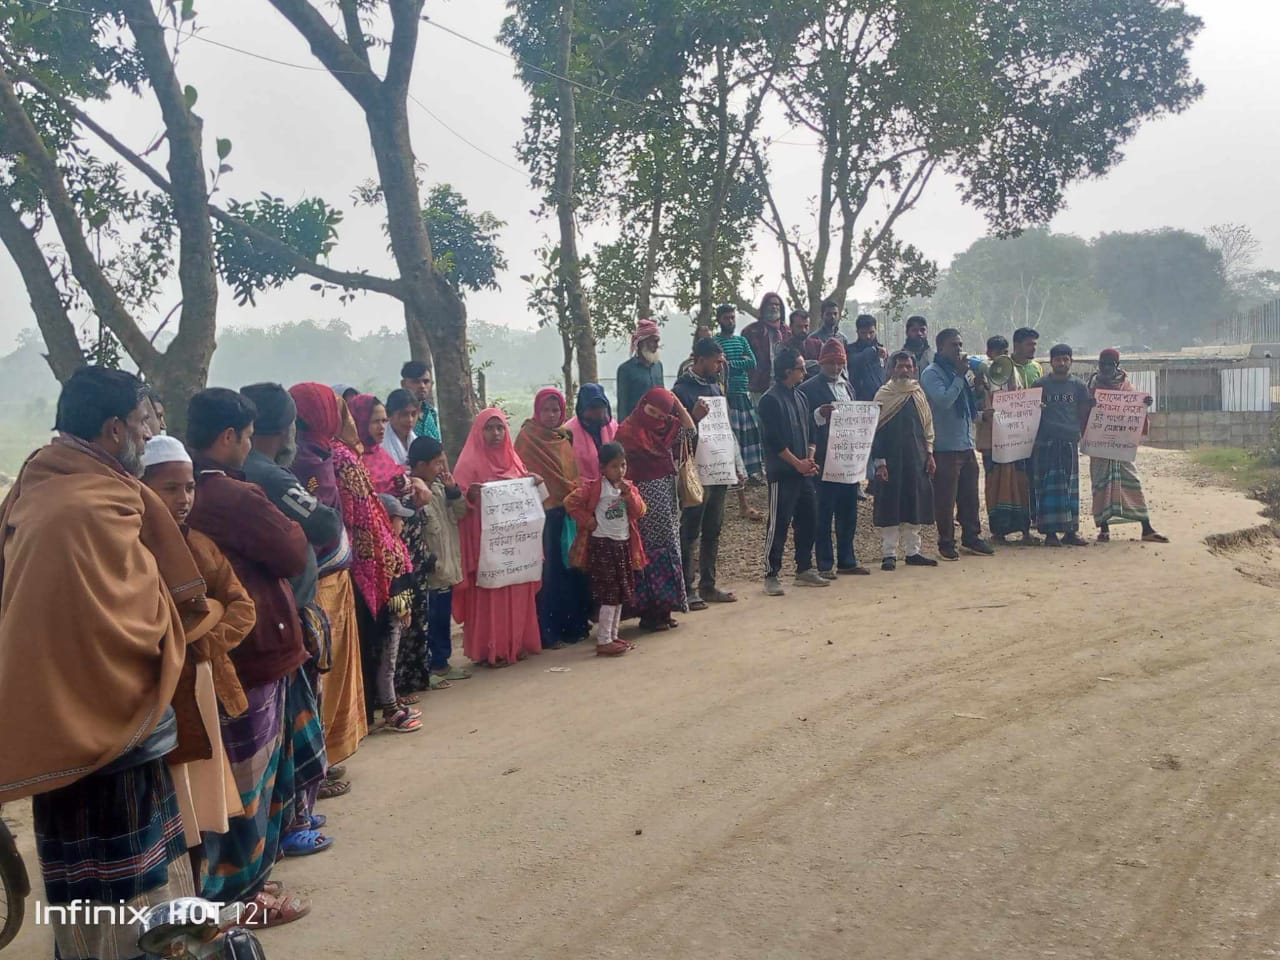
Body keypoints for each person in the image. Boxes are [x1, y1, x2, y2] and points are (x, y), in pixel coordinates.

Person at [0, 367, 205, 959]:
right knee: (125, 892)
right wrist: (174, 617)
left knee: (88, 890)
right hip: (107, 731)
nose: (149, 434)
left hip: (65, 730)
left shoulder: (42, 488)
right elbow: (130, 621)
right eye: (145, 423)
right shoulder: (84, 508)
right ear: (115, 429)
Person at [185, 387, 322, 918]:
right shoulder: (230, 495)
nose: (249, 447)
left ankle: (241, 888)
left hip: (225, 653)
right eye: (245, 437)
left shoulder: (183, 489)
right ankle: (242, 897)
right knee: (250, 786)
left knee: (240, 782)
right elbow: (293, 548)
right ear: (227, 438)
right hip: (253, 650)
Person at [142, 436, 255, 870]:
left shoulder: (201, 544)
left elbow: (241, 606)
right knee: (176, 803)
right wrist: (205, 617)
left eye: (189, 487)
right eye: (170, 488)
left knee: (209, 800)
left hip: (207, 683)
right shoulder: (134, 553)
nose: (183, 498)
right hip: (165, 693)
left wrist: (199, 644)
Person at [288, 383, 366, 797]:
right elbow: (315, 523)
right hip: (317, 582)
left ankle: (330, 754)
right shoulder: (303, 460)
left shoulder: (320, 452)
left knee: (333, 673)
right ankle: (319, 763)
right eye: (335, 410)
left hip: (334, 576)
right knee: (321, 672)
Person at [329, 395, 419, 726]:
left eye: (384, 421)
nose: (379, 427)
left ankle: (385, 700)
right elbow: (360, 517)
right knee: (378, 641)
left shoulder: (359, 457)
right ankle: (383, 706)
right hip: (367, 561)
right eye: (374, 420)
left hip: (384, 553)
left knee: (388, 638)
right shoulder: (344, 460)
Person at [453, 408, 545, 666]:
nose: (495, 434)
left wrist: (534, 483)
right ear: (478, 431)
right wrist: (470, 497)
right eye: (489, 428)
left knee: (516, 591)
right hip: (487, 549)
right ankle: (489, 649)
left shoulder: (514, 461)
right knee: (490, 595)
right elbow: (459, 503)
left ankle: (515, 643)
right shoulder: (468, 464)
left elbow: (527, 497)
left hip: (515, 547)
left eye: (500, 428)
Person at [614, 387, 697, 629]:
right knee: (648, 554)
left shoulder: (667, 428)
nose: (656, 419)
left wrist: (677, 405)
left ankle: (665, 610)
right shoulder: (626, 431)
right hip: (642, 503)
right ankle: (649, 614)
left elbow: (690, 430)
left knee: (670, 549)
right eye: (652, 411)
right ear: (642, 404)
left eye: (662, 416)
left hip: (668, 498)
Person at [515, 387, 592, 649]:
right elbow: (520, 473)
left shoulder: (564, 437)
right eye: (546, 410)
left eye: (555, 410)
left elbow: (571, 473)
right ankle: (548, 632)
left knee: (570, 568)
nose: (550, 415)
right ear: (537, 411)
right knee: (549, 575)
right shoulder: (527, 438)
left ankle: (574, 626)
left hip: (567, 511)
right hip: (541, 514)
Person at [564, 442, 648, 657]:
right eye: (614, 466)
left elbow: (639, 511)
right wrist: (587, 521)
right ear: (602, 468)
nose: (619, 471)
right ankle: (603, 640)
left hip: (622, 544)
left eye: (623, 465)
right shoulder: (594, 488)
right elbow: (570, 502)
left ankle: (613, 635)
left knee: (620, 591)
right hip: (603, 545)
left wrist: (629, 495)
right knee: (609, 593)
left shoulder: (627, 487)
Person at [401, 436, 472, 691]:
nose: (441, 468)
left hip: (448, 566)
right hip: (430, 572)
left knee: (442, 618)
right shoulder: (413, 493)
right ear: (420, 465)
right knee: (428, 620)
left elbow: (461, 513)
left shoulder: (442, 489)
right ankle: (429, 666)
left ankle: (442, 663)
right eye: (436, 463)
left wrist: (454, 491)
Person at [673, 337, 737, 608]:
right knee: (690, 530)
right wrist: (694, 416)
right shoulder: (680, 391)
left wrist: (736, 463)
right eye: (716, 360)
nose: (720, 365)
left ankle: (708, 584)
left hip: (719, 468)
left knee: (714, 528)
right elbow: (674, 435)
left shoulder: (716, 387)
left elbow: (725, 429)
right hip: (695, 470)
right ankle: (686, 588)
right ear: (700, 360)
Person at [758, 347, 827, 595]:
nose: (804, 372)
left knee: (809, 519)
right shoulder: (769, 400)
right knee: (779, 522)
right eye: (800, 368)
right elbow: (773, 441)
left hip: (804, 472)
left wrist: (809, 459)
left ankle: (804, 568)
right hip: (782, 473)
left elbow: (811, 431)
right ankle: (771, 572)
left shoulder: (801, 397)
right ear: (788, 371)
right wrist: (796, 463)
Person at [922, 330, 995, 561]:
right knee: (945, 499)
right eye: (954, 345)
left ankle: (971, 537)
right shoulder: (932, 373)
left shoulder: (959, 374)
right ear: (941, 347)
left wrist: (980, 401)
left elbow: (964, 406)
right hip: (945, 447)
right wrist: (959, 377)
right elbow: (944, 401)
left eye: (961, 344)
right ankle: (946, 542)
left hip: (965, 444)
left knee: (970, 496)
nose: (959, 349)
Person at [800, 338, 870, 577]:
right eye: (831, 363)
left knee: (848, 511)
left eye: (840, 363)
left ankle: (847, 560)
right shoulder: (808, 388)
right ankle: (825, 563)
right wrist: (819, 414)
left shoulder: (847, 386)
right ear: (821, 363)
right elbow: (801, 422)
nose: (836, 368)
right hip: (823, 457)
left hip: (848, 458)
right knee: (824, 512)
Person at [1087, 350, 1169, 543]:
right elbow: (1083, 410)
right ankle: (1104, 529)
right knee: (1100, 485)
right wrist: (1088, 404)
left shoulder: (1126, 386)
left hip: (1122, 444)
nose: (1105, 368)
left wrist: (1145, 403)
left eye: (1109, 364)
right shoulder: (1091, 385)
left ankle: (1146, 528)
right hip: (1099, 443)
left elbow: (1135, 411)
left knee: (1132, 482)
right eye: (1102, 364)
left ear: (1117, 364)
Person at [872, 353, 938, 570]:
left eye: (908, 367)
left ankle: (913, 552)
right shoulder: (884, 395)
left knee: (915, 503)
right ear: (892, 369)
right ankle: (889, 554)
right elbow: (875, 430)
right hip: (890, 461)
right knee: (890, 505)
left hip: (916, 458)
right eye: (900, 366)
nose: (904, 370)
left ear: (914, 369)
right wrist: (879, 462)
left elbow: (927, 426)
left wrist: (929, 454)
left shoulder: (918, 394)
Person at [984, 328, 1043, 544]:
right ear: (989, 353)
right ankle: (998, 531)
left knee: (1022, 481)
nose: (1001, 356)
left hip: (1018, 435)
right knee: (995, 483)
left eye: (1004, 352)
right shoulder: (984, 372)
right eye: (997, 352)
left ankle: (1025, 530)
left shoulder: (1017, 371)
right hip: (993, 439)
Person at [1032, 344, 1093, 546]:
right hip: (1047, 441)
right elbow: (1030, 411)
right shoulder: (1039, 385)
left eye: (1066, 359)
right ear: (1051, 362)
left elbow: (1086, 411)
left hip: (1069, 440)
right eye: (1058, 359)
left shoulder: (1079, 385)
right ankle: (1049, 533)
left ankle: (1070, 532)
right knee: (1048, 487)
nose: (1062, 363)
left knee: (1070, 487)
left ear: (1071, 361)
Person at [372, 493, 421, 734]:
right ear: (387, 519)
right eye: (399, 518)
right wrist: (403, 609)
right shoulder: (383, 547)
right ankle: (390, 709)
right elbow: (392, 584)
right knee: (387, 662)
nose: (403, 523)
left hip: (398, 611)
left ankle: (393, 701)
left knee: (391, 660)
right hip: (389, 615)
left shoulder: (394, 543)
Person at [714, 302, 764, 483]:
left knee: (750, 434)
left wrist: (732, 364)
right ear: (719, 320)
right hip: (727, 395)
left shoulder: (742, 341)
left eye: (732, 317)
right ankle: (736, 474)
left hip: (744, 392)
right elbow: (720, 367)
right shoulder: (716, 342)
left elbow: (752, 362)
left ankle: (753, 473)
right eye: (726, 318)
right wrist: (735, 364)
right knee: (733, 435)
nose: (730, 321)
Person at [564, 383, 619, 483]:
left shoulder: (612, 426)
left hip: (613, 486)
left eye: (601, 407)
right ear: (582, 408)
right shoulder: (568, 431)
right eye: (593, 407)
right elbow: (568, 468)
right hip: (581, 489)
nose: (598, 411)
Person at [616, 318, 665, 420]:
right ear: (641, 343)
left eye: (657, 342)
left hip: (657, 425)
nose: (656, 346)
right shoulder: (625, 370)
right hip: (636, 427)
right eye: (653, 342)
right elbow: (622, 406)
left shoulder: (658, 366)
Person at [742, 292, 786, 402]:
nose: (774, 307)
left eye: (777, 305)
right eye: (770, 304)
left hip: (782, 387)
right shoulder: (751, 331)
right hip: (757, 388)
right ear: (763, 307)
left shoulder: (787, 332)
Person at [846, 314, 888, 402]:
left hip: (880, 399)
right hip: (858, 400)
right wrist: (873, 350)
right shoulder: (850, 350)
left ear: (876, 331)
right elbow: (855, 361)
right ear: (857, 332)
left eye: (871, 332)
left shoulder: (882, 351)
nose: (868, 336)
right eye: (863, 333)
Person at [400, 360, 441, 441]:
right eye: (416, 381)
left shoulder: (431, 412)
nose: (422, 386)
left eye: (426, 382)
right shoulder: (396, 415)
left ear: (432, 384)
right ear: (403, 384)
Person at [382, 387, 422, 465]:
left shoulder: (416, 441)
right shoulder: (380, 443)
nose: (410, 419)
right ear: (389, 414)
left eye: (413, 414)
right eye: (404, 414)